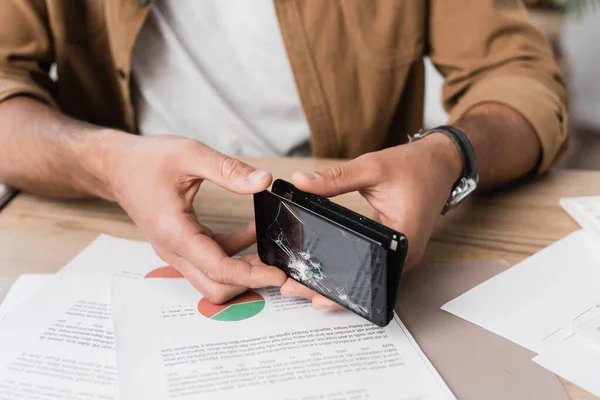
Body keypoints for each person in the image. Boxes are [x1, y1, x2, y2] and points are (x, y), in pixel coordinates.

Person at [0, 1, 567, 309]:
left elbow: (519, 79)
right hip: (99, 230)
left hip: (357, 227)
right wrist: (107, 163)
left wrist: (449, 157)